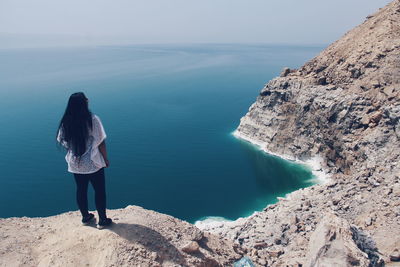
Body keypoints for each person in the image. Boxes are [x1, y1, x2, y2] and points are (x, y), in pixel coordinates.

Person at [56, 92, 112, 229]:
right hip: (93, 162)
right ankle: (102, 220)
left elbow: (61, 140)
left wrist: (73, 149)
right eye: (86, 98)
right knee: (99, 191)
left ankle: (85, 217)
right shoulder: (92, 119)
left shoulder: (66, 121)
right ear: (84, 102)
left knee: (81, 190)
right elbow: (100, 142)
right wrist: (105, 159)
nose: (88, 99)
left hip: (76, 163)